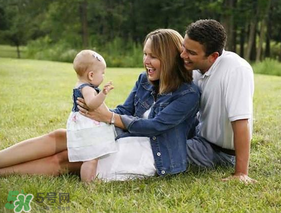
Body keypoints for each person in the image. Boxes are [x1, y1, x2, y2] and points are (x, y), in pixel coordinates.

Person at [0, 29, 200, 181]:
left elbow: (155, 126)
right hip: (126, 136)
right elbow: (124, 110)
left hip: (151, 152)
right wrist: (96, 113)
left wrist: (110, 118)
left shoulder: (188, 95)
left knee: (65, 159)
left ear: (168, 58)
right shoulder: (144, 80)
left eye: (153, 56)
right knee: (60, 135)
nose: (146, 61)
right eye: (145, 54)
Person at [180, 19, 257, 184]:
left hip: (218, 152)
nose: (183, 55)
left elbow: (241, 122)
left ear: (213, 56)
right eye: (183, 48)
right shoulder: (195, 68)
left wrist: (241, 173)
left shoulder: (236, 70)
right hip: (198, 137)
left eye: (191, 53)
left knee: (160, 148)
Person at [66, 50, 117, 183]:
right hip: (87, 128)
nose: (104, 76)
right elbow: (91, 104)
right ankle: (88, 183)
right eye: (103, 73)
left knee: (90, 158)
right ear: (91, 75)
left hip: (82, 125)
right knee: (91, 158)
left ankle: (90, 180)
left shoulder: (80, 85)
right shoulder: (87, 89)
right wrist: (103, 94)